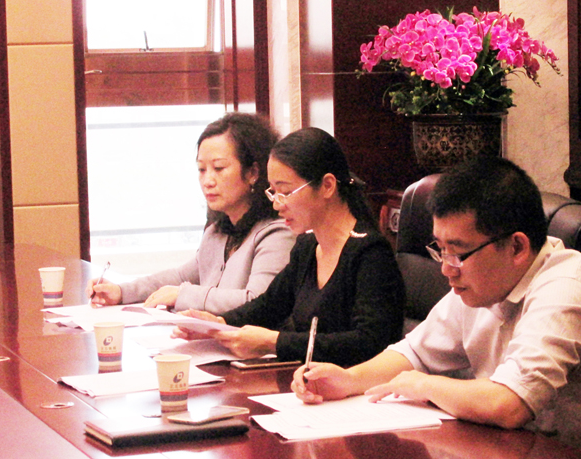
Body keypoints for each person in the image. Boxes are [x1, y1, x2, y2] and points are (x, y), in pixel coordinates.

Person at [291, 156, 581, 446]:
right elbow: (415, 353)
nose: (446, 269)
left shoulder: (566, 285)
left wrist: (423, 384)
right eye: (440, 249)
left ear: (517, 247)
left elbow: (510, 403)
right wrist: (348, 380)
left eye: (457, 252)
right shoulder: (483, 282)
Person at [173, 127, 405, 367]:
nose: (277, 205)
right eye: (273, 193)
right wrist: (218, 324)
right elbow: (268, 306)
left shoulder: (371, 254)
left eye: (285, 192)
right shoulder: (307, 247)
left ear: (327, 186)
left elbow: (368, 343)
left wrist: (273, 342)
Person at [86, 112, 296, 314]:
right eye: (202, 170)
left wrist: (182, 295)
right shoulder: (217, 233)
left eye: (219, 168)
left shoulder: (278, 233)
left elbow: (258, 300)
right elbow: (180, 276)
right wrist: (122, 291)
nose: (208, 181)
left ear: (253, 172)